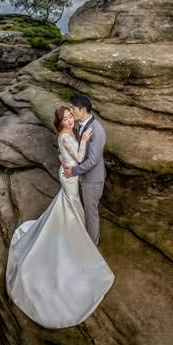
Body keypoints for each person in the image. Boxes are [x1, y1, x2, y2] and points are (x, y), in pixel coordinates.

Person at [5, 105, 114, 329]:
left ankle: (68, 234)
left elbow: (68, 157)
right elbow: (81, 156)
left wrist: (71, 152)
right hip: (71, 178)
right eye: (65, 118)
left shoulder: (66, 134)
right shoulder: (66, 136)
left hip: (69, 176)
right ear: (60, 122)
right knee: (71, 207)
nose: (69, 120)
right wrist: (83, 140)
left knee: (69, 207)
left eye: (70, 116)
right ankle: (70, 241)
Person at [61, 94, 106, 245]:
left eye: (73, 108)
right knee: (84, 211)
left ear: (83, 110)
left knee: (91, 214)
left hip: (93, 180)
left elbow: (93, 160)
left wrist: (73, 172)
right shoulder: (80, 125)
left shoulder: (97, 130)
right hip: (83, 177)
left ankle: (93, 247)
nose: (71, 111)